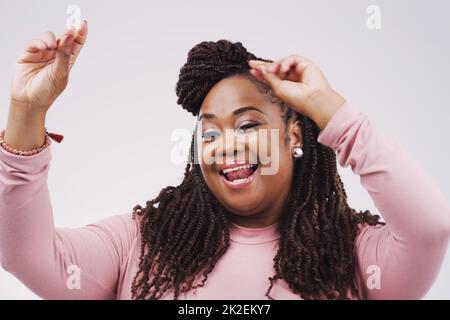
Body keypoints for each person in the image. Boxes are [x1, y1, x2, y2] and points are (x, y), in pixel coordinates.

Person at [1, 21, 449, 300]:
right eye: (210, 133)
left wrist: (333, 113)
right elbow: (24, 253)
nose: (226, 146)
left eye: (249, 125)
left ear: (295, 134)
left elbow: (431, 228)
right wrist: (26, 112)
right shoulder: (138, 242)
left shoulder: (353, 254)